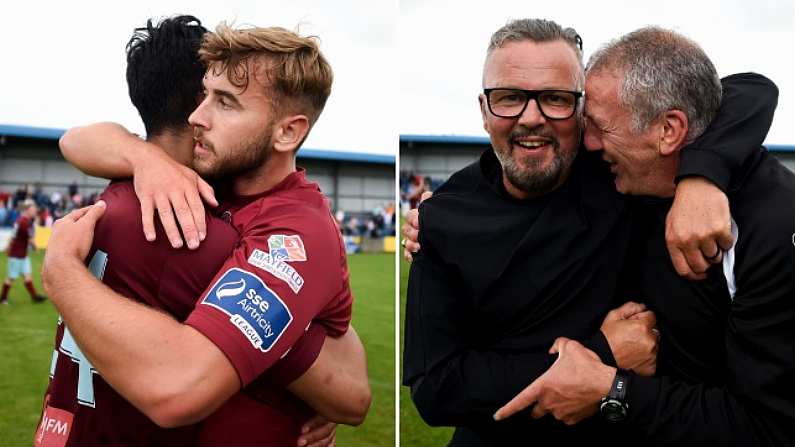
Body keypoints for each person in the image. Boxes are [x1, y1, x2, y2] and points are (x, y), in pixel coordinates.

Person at [401, 19, 772, 445]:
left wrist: (701, 178)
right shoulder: (443, 219)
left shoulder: (617, 170)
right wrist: (601, 354)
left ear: (582, 109)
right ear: (483, 110)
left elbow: (750, 91)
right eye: (510, 98)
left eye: (555, 99)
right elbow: (438, 387)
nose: (532, 118)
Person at [36, 17, 369, 447]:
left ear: (288, 131)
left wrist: (61, 269)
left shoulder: (293, 229)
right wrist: (145, 159)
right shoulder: (199, 190)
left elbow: (353, 393)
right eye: (205, 96)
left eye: (225, 102)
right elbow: (75, 140)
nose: (198, 116)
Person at [493, 27, 794, 446]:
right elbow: (750, 89)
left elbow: (768, 428)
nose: (589, 144)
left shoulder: (773, 233)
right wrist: (442, 213)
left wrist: (614, 391)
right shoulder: (642, 174)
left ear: (668, 132)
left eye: (598, 126)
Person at [1, 200, 46, 304]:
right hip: (17, 255)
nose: (35, 212)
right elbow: (30, 239)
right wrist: (36, 248)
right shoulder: (25, 223)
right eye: (33, 210)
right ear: (27, 210)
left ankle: (35, 297)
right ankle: (3, 299)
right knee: (10, 278)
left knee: (27, 276)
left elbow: (12, 236)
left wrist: (8, 246)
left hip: (22, 254)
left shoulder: (20, 220)